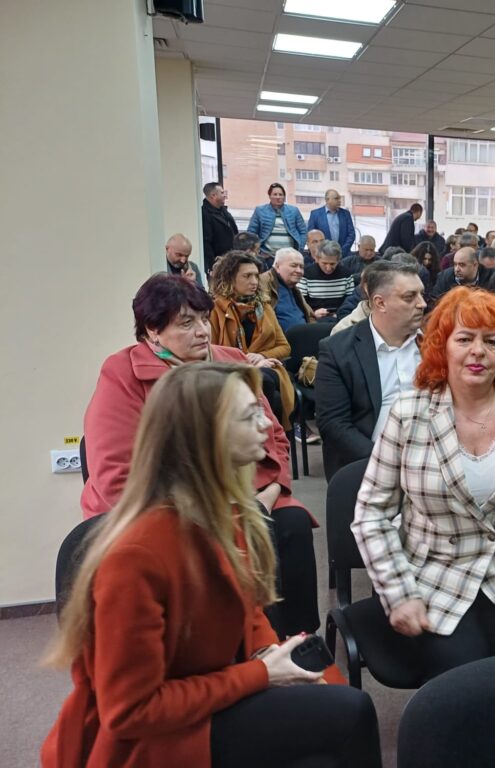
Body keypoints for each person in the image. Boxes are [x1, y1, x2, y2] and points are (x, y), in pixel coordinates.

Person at [44, 362, 380, 768]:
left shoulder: (220, 514)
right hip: (152, 741)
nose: (265, 424)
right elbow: (131, 711)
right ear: (206, 437)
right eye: (249, 415)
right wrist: (261, 674)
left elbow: (247, 612)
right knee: (349, 714)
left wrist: (270, 652)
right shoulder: (135, 557)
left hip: (210, 692)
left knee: (333, 694)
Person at [80, 274, 319, 636]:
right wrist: (214, 512)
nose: (203, 331)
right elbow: (117, 475)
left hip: (246, 494)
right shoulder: (122, 373)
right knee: (233, 539)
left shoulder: (231, 360)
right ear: (152, 330)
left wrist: (268, 496)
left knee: (291, 524)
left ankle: (298, 641)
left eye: (204, 319)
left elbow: (274, 440)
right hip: (164, 507)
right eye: (186, 323)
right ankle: (246, 646)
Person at [352, 287, 495, 679]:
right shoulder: (408, 414)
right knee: (465, 685)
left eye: (491, 341)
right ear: (442, 346)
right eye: (464, 339)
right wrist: (398, 592)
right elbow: (371, 514)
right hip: (434, 582)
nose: (478, 352)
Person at [317, 262, 426, 479]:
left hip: (431, 461)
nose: (422, 303)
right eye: (409, 297)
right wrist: (386, 462)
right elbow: (334, 423)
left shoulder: (435, 344)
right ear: (380, 303)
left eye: (422, 294)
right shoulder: (338, 350)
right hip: (368, 463)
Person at [209, 251, 296, 430]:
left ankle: (269, 438)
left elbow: (284, 347)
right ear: (230, 278)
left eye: (256, 275)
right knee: (266, 385)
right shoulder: (215, 309)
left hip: (266, 367)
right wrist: (246, 363)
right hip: (228, 372)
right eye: (247, 276)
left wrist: (261, 355)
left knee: (268, 383)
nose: (254, 281)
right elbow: (211, 353)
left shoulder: (264, 307)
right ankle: (263, 436)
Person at [259, 247, 314, 332]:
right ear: (277, 266)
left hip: (304, 334)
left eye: (301, 267)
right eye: (293, 266)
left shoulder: (294, 288)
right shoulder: (263, 283)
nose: (299, 271)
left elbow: (310, 316)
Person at [298, 240, 355, 321]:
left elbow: (350, 301)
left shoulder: (346, 274)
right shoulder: (306, 274)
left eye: (332, 264)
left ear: (338, 260)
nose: (328, 268)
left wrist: (340, 314)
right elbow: (301, 302)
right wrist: (313, 313)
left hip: (340, 317)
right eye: (324, 263)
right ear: (317, 259)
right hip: (314, 317)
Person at [247, 183, 307, 258]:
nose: (278, 197)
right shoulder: (260, 210)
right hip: (266, 255)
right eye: (275, 194)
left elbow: (303, 231)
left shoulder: (294, 211)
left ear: (284, 197)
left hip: (290, 255)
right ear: (269, 196)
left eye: (281, 195)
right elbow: (251, 233)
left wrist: (299, 249)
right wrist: (257, 251)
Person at [201, 181, 238, 274]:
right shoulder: (205, 214)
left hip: (231, 259)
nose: (225, 195)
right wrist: (212, 265)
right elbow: (206, 242)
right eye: (222, 193)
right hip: (218, 262)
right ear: (213, 196)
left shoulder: (223, 211)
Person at [308, 189, 355, 258]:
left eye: (339, 198)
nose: (339, 201)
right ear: (327, 200)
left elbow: (351, 234)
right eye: (336, 198)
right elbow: (311, 236)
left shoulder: (345, 214)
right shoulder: (315, 214)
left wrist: (342, 251)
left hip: (344, 255)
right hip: (323, 256)